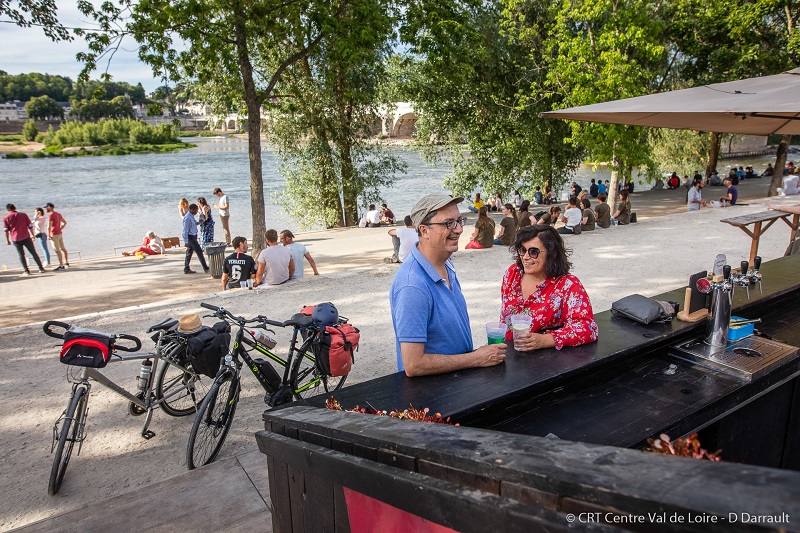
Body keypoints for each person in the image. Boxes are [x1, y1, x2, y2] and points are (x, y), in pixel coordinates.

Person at [389, 193, 506, 376]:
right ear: (424, 230)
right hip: (432, 397)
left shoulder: (446, 263)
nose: (459, 229)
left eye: (459, 220)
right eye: (448, 223)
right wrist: (477, 358)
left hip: (456, 382)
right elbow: (413, 364)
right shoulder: (412, 285)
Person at [500, 225, 598, 350]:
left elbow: (588, 328)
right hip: (508, 354)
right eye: (523, 250)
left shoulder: (568, 285)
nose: (525, 257)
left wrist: (545, 340)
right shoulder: (512, 273)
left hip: (543, 362)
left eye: (533, 252)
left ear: (552, 254)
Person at [4, 204, 45, 275]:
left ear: (8, 210)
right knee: (33, 252)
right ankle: (40, 268)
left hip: (15, 238)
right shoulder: (23, 215)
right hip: (26, 236)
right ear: (15, 208)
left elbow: (6, 230)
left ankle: (26, 270)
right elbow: (30, 226)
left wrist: (7, 240)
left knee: (21, 254)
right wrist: (32, 234)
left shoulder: (6, 218)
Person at [182, 204, 210, 274]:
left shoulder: (191, 216)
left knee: (189, 253)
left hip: (193, 236)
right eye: (196, 210)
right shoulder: (188, 218)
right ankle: (205, 268)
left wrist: (199, 222)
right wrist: (185, 241)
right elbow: (185, 230)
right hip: (190, 237)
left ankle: (186, 268)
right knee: (199, 252)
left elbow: (193, 224)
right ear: (191, 209)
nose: (197, 211)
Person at [45, 202, 69, 269]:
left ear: (49, 207)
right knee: (63, 248)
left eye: (46, 207)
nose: (45, 209)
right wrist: (60, 228)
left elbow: (48, 226)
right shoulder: (58, 214)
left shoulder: (51, 215)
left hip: (54, 234)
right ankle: (66, 262)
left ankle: (61, 265)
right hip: (59, 233)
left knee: (57, 250)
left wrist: (48, 235)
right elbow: (64, 222)